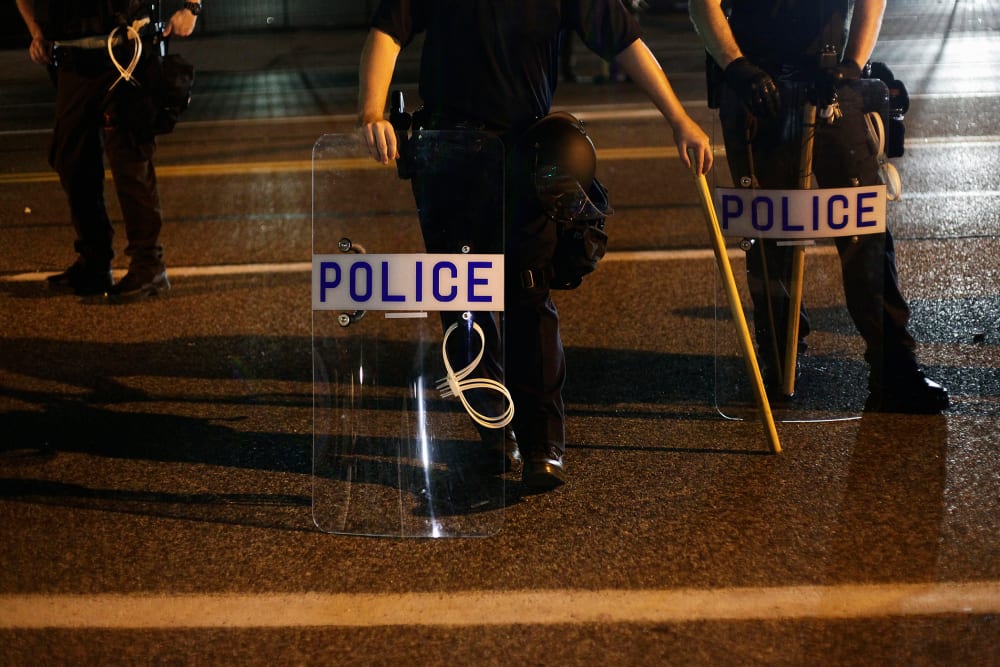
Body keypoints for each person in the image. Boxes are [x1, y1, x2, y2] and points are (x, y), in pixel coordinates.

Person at [358, 0, 712, 490]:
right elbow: (387, 32)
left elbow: (625, 42)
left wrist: (678, 118)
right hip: (447, 158)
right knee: (461, 301)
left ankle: (543, 445)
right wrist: (373, 112)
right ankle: (493, 430)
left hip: (526, 160)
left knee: (527, 294)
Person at [689, 0, 949, 414]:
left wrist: (851, 65)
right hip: (756, 79)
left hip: (830, 79)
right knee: (771, 233)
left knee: (863, 228)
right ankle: (779, 354)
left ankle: (893, 366)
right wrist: (735, 66)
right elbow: (702, 3)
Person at [15, 0, 201, 302]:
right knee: (72, 160)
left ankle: (148, 265)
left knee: (129, 160)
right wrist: (36, 31)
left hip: (125, 50)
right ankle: (94, 262)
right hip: (72, 58)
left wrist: (192, 7)